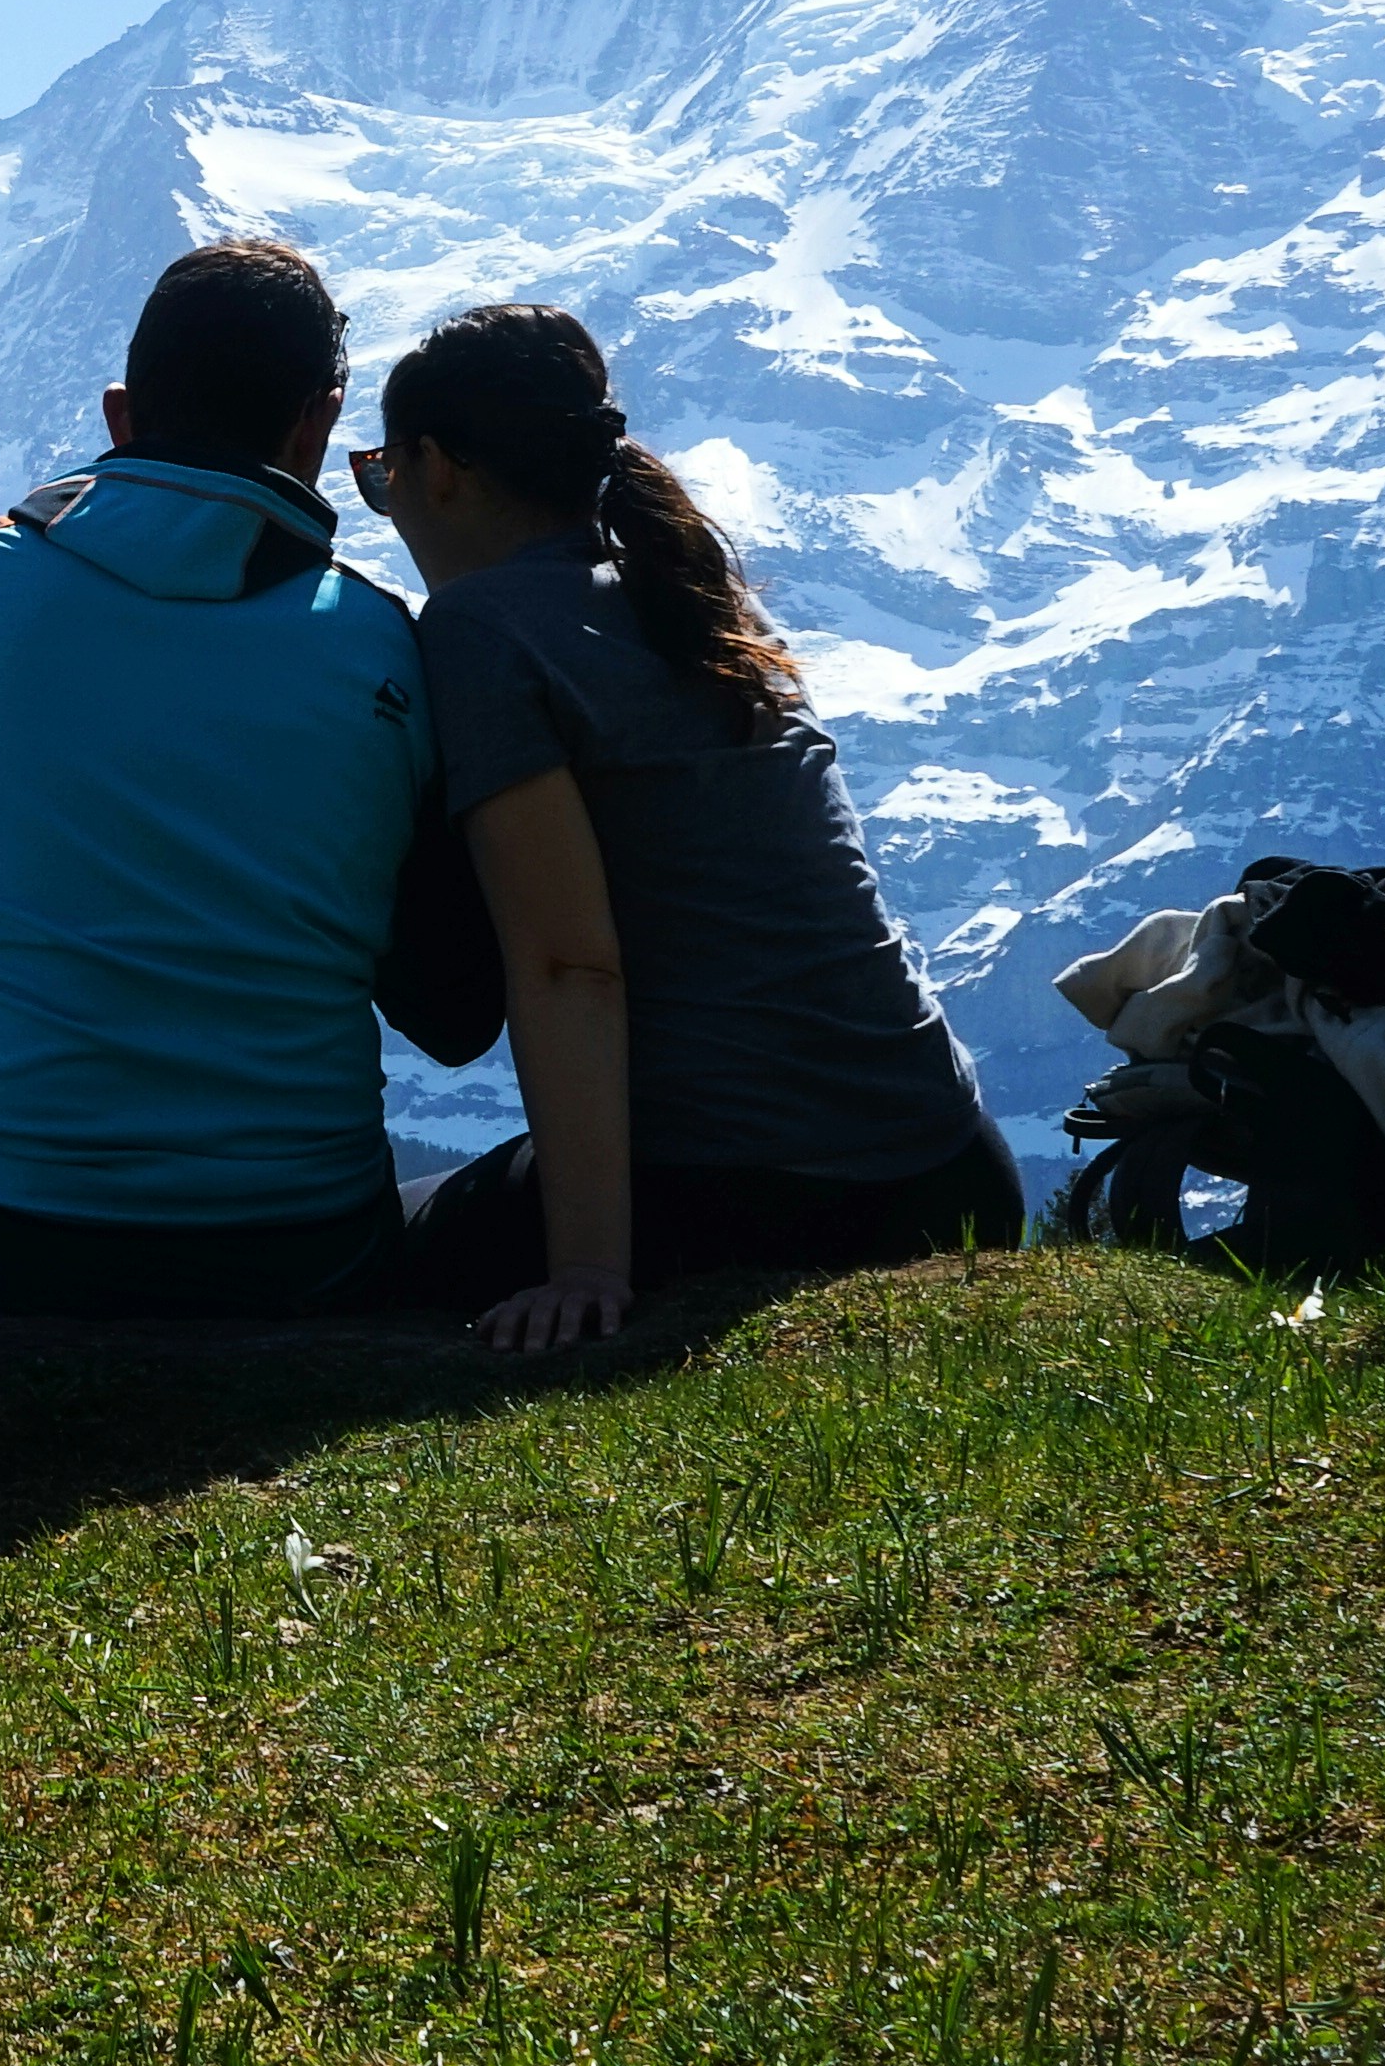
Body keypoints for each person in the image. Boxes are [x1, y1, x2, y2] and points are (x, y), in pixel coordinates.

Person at [0, 238, 501, 1333]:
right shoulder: (384, 642)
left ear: (121, 413)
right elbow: (456, 1012)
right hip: (303, 1244)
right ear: (319, 423)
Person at [357, 301, 1015, 1346]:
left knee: (381, 1246)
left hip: (748, 1190)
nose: (387, 499)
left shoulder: (483, 628)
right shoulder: (703, 600)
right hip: (948, 1167)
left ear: (438, 468)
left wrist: (583, 1268)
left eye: (380, 472)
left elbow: (572, 966)